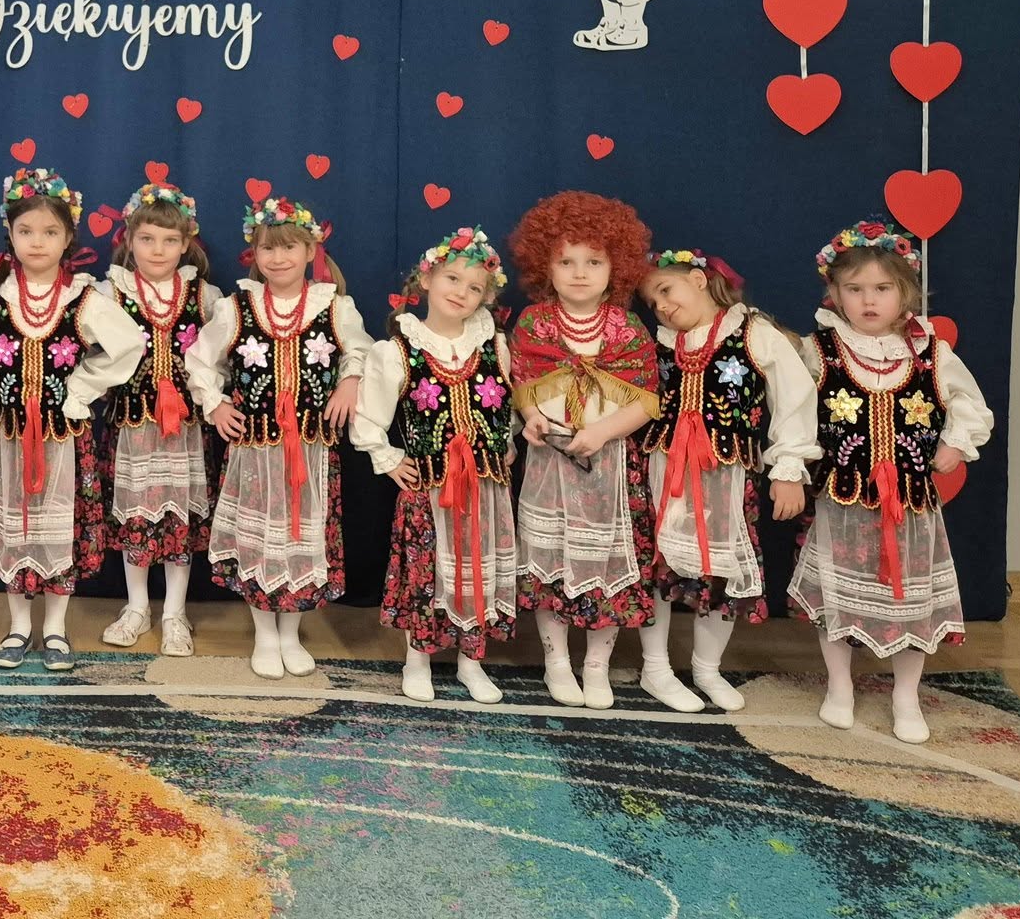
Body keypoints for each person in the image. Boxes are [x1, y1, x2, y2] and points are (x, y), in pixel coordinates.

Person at [788, 220, 992, 744]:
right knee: (837, 595)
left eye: (882, 288)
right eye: (854, 289)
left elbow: (970, 405)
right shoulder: (819, 351)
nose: (868, 300)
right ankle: (839, 686)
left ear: (906, 293)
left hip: (910, 505)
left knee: (911, 602)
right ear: (835, 294)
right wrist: (792, 463)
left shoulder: (931, 353)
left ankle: (906, 694)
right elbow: (792, 412)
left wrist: (955, 442)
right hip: (844, 502)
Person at [0, 168, 143, 672]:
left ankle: (56, 626)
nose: (37, 242)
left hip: (63, 437)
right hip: (9, 434)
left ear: (68, 238)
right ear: (10, 235)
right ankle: (18, 625)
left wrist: (80, 389)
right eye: (26, 231)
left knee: (60, 526)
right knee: (13, 524)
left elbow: (129, 346)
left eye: (49, 232)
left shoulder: (83, 298)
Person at [184, 197, 370, 680]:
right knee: (259, 541)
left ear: (310, 251)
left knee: (300, 539)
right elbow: (200, 360)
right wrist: (215, 403)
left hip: (311, 450)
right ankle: (265, 634)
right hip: (256, 451)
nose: (279, 257)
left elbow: (361, 352)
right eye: (268, 248)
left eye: (290, 247)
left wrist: (350, 380)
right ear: (255, 253)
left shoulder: (334, 307)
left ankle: (291, 633)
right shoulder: (235, 308)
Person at [634, 248, 818, 712]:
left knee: (722, 570)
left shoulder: (753, 333)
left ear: (698, 280)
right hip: (664, 472)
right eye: (653, 302)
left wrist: (789, 469)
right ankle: (655, 668)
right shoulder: (660, 342)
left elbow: (794, 399)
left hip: (726, 476)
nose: (661, 307)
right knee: (656, 568)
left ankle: (706, 669)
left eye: (666, 291)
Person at [507, 190, 662, 710]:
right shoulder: (533, 324)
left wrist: (603, 432)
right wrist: (532, 419)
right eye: (566, 261)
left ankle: (597, 665)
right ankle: (556, 661)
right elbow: (522, 386)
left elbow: (647, 399)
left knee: (606, 564)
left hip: (609, 468)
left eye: (593, 262)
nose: (579, 273)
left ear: (616, 266)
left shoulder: (627, 328)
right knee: (547, 560)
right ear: (544, 265)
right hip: (549, 468)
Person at [353, 225, 517, 704]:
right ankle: (418, 660)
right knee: (425, 575)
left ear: (486, 297)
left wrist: (505, 443)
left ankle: (472, 662)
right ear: (426, 280)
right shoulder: (398, 350)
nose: (461, 292)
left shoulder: (495, 345)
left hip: (485, 487)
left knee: (477, 571)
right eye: (452, 279)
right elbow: (368, 417)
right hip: (429, 487)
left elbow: (505, 407)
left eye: (475, 288)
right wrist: (387, 459)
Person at [95, 182, 222, 657]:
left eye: (170, 240)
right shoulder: (110, 292)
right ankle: (136, 607)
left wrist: (214, 396)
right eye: (147, 239)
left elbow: (222, 356)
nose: (158, 250)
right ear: (129, 239)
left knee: (178, 518)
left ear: (186, 243)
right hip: (132, 427)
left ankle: (174, 612)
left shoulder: (205, 296)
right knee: (137, 515)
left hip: (185, 430)